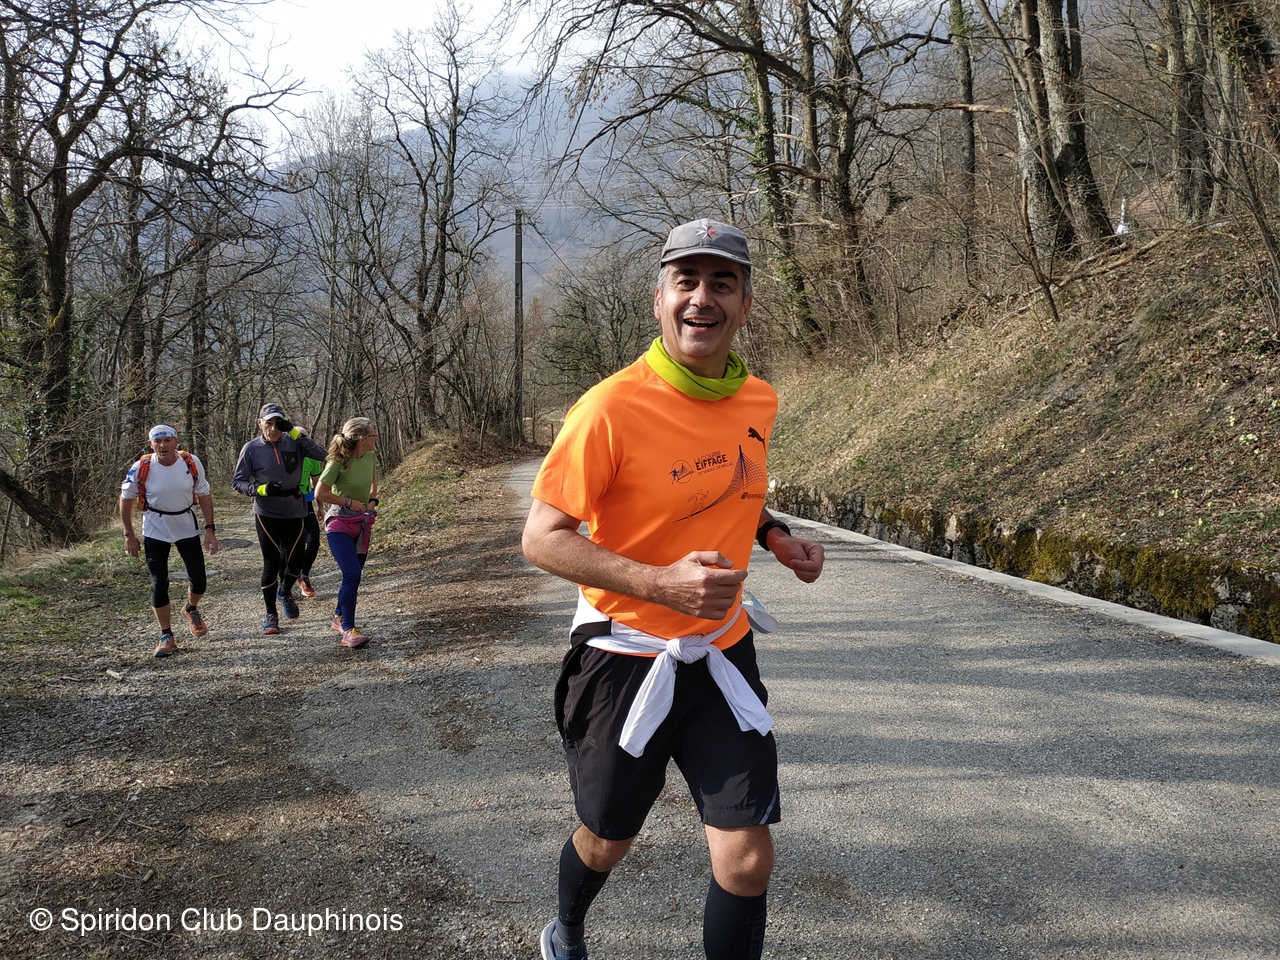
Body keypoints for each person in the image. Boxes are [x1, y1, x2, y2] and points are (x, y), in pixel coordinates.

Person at [522, 218, 826, 960]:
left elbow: (733, 488)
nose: (702, 298)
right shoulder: (609, 408)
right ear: (658, 300)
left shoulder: (757, 399)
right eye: (685, 281)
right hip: (625, 659)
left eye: (722, 283)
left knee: (747, 859)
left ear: (745, 305)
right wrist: (659, 583)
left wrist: (775, 537)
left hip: (721, 653)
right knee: (607, 838)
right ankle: (566, 928)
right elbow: (543, 538)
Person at [120, 424, 219, 658]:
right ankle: (166, 635)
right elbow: (125, 498)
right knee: (159, 582)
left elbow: (204, 494)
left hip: (186, 525)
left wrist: (210, 529)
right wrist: (129, 534)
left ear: (176, 442)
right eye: (157, 441)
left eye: (167, 440)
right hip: (155, 528)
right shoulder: (141, 467)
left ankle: (191, 608)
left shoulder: (190, 462)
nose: (162, 445)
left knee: (199, 581)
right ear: (150, 444)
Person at [231, 403, 328, 635]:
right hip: (267, 513)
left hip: (295, 509)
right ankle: (270, 614)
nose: (273, 428)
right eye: (269, 423)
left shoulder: (294, 441)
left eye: (278, 423)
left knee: (295, 562)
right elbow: (238, 482)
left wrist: (294, 432)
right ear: (260, 423)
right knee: (272, 562)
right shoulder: (251, 448)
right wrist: (260, 489)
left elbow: (323, 455)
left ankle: (284, 592)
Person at [314, 417, 379, 649]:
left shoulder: (369, 456)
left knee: (354, 575)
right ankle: (348, 630)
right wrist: (348, 502)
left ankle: (338, 616)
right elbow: (319, 492)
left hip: (361, 523)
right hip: (339, 523)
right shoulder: (337, 462)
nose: (375, 438)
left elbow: (373, 484)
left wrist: (372, 503)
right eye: (373, 434)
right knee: (352, 573)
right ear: (362, 439)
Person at [297, 453, 325, 598]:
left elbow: (316, 482)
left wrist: (320, 507)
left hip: (306, 502)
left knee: (313, 541)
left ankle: (303, 575)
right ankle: (283, 586)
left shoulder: (311, 456)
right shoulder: (282, 452)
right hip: (285, 504)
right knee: (288, 546)